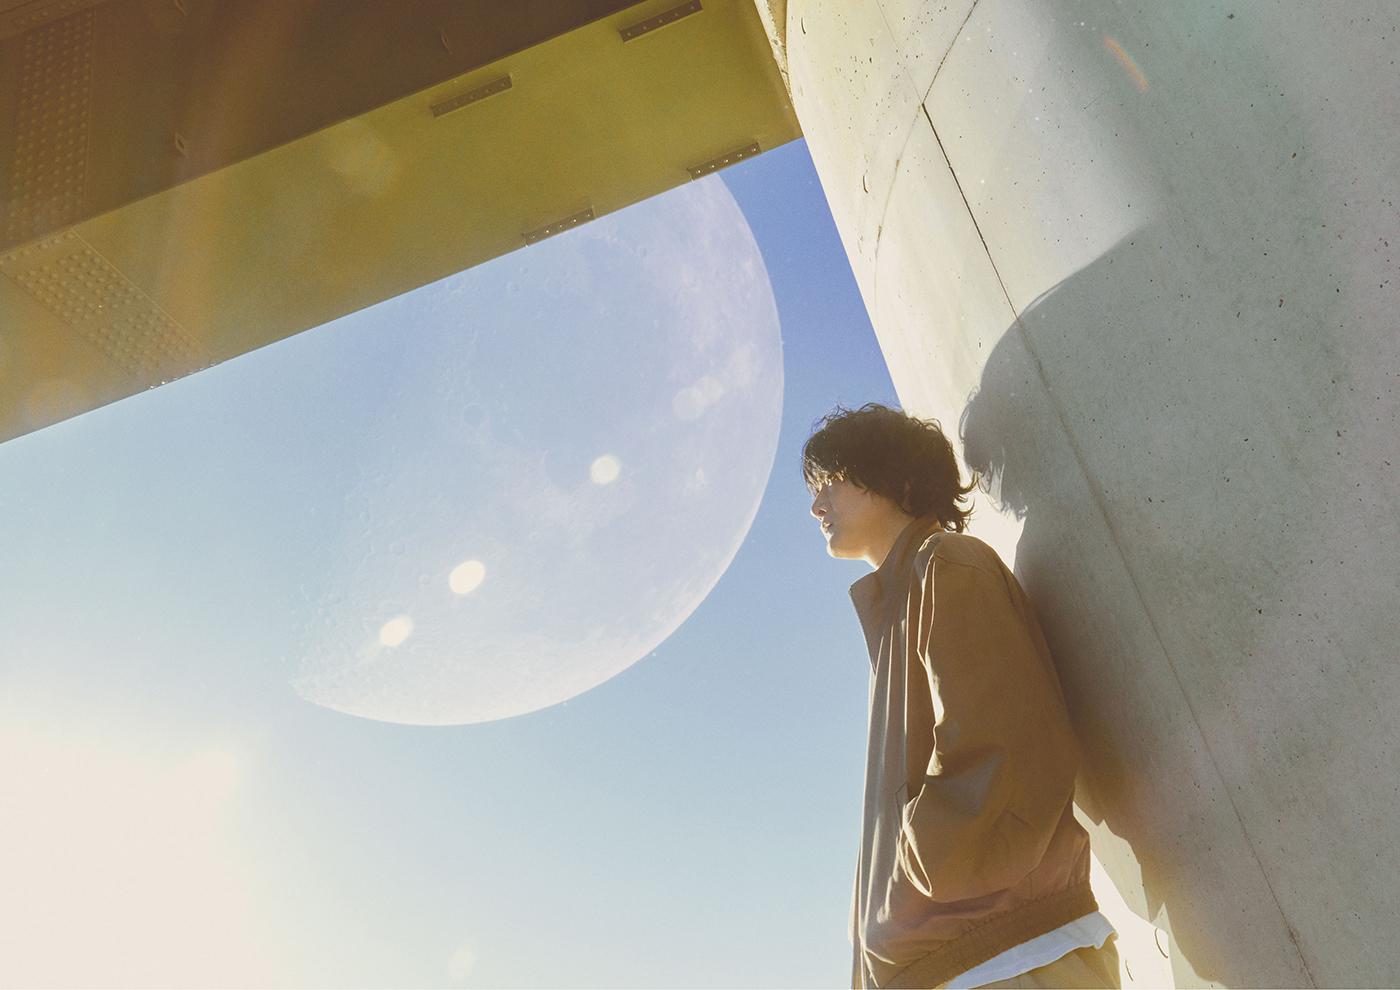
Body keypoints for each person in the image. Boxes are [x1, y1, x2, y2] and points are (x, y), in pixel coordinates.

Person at [804, 403, 1120, 990]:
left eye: (833, 481)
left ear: (899, 479)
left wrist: (920, 867)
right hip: (961, 961)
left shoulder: (946, 565)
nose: (817, 505)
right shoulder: (899, 606)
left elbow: (1004, 744)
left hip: (1002, 956)